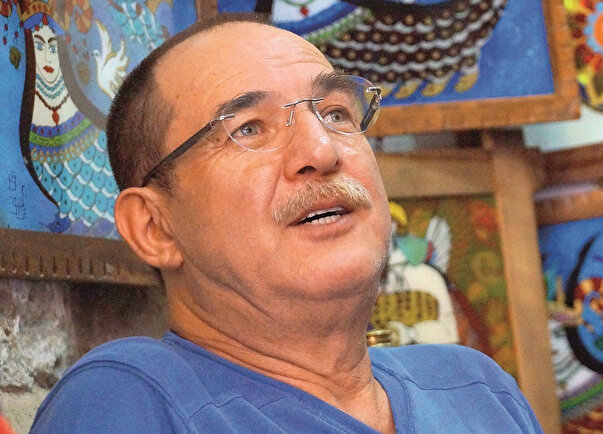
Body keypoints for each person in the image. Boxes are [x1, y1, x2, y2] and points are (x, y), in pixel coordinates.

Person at [30, 13, 543, 433]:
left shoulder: (477, 390)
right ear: (155, 227)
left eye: (336, 113)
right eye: (248, 128)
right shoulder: (130, 399)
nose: (321, 151)